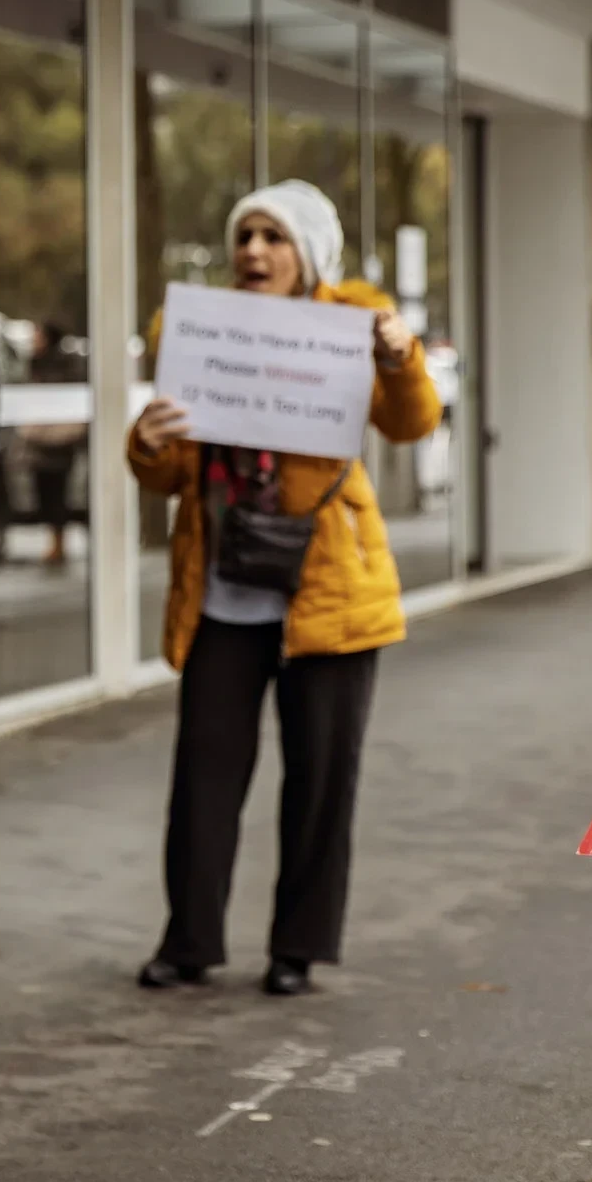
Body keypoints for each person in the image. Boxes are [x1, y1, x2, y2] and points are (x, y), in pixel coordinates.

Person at [129, 180, 441, 997]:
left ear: (308, 252)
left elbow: (412, 424)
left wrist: (401, 355)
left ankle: (296, 948)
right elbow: (166, 473)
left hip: (329, 587)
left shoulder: (353, 324)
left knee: (320, 782)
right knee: (203, 778)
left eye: (274, 236)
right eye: (245, 236)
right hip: (224, 590)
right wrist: (146, 441)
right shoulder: (197, 333)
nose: (255, 251)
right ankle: (188, 939)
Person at [23, 318, 88, 566]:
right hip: (41, 440)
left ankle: (59, 542)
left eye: (37, 334)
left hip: (60, 442)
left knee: (58, 492)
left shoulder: (64, 365)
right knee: (44, 492)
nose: (34, 340)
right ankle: (54, 539)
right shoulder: (35, 363)